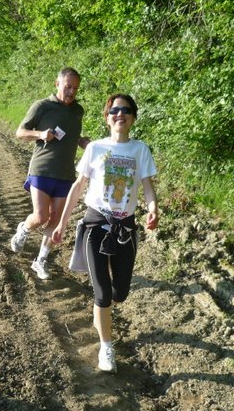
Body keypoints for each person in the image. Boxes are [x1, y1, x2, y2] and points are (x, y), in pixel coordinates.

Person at [52, 93, 158, 373]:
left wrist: (153, 208)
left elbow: (147, 186)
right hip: (96, 225)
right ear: (107, 117)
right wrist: (62, 223)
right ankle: (106, 347)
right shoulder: (95, 148)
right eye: (114, 110)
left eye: (126, 110)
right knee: (102, 293)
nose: (119, 114)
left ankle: (103, 312)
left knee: (119, 293)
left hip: (126, 227)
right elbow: (78, 186)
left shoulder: (140, 150)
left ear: (133, 117)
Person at [10, 67, 90, 280]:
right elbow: (20, 132)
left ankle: (41, 260)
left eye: (75, 88)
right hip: (42, 169)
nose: (71, 92)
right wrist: (40, 134)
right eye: (68, 87)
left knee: (56, 219)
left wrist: (82, 142)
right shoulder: (42, 106)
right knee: (41, 216)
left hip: (66, 173)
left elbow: (71, 134)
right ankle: (24, 230)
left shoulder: (78, 110)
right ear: (57, 84)